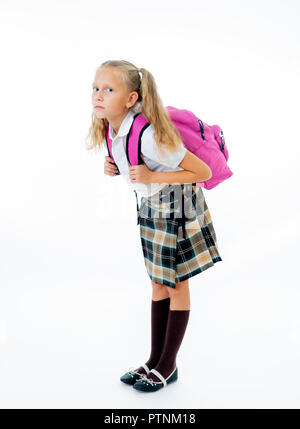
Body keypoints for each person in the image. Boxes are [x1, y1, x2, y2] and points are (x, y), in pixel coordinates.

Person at [86, 60, 222, 392]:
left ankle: (168, 363)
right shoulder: (112, 128)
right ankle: (154, 359)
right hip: (151, 205)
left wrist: (151, 175)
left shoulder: (148, 134)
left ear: (131, 99)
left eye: (109, 89)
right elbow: (131, 165)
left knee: (176, 283)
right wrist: (114, 165)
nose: (98, 95)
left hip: (176, 205)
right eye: (95, 88)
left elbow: (201, 171)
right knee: (158, 283)